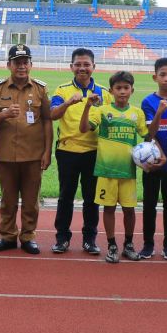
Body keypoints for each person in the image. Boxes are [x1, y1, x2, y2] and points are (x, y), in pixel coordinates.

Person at [79, 71, 164, 263]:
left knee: (129, 210)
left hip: (128, 172)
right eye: (118, 88)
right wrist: (87, 106)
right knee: (108, 209)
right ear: (111, 91)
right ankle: (111, 245)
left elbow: (148, 137)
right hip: (106, 170)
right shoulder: (101, 111)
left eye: (126, 88)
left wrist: (158, 113)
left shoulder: (137, 113)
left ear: (132, 90)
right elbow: (84, 129)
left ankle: (128, 244)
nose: (122, 92)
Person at [0, 45, 51, 254]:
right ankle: (8, 236)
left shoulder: (40, 89)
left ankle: (28, 236)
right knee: (8, 200)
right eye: (17, 62)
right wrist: (3, 114)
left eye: (25, 62)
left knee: (31, 201)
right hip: (5, 154)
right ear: (9, 65)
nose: (21, 66)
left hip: (33, 155)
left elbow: (48, 121)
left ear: (31, 64)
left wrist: (47, 152)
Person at [49, 48, 112, 254]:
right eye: (78, 64)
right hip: (67, 151)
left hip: (94, 152)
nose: (82, 68)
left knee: (91, 198)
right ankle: (62, 238)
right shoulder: (62, 89)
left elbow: (110, 121)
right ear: (71, 67)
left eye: (86, 64)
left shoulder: (104, 93)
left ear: (94, 67)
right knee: (65, 196)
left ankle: (90, 239)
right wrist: (68, 103)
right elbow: (52, 115)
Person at [139, 57, 167, 260]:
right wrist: (159, 112)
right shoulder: (148, 101)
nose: (166, 78)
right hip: (152, 162)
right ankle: (148, 245)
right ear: (154, 76)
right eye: (162, 75)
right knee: (149, 205)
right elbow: (149, 133)